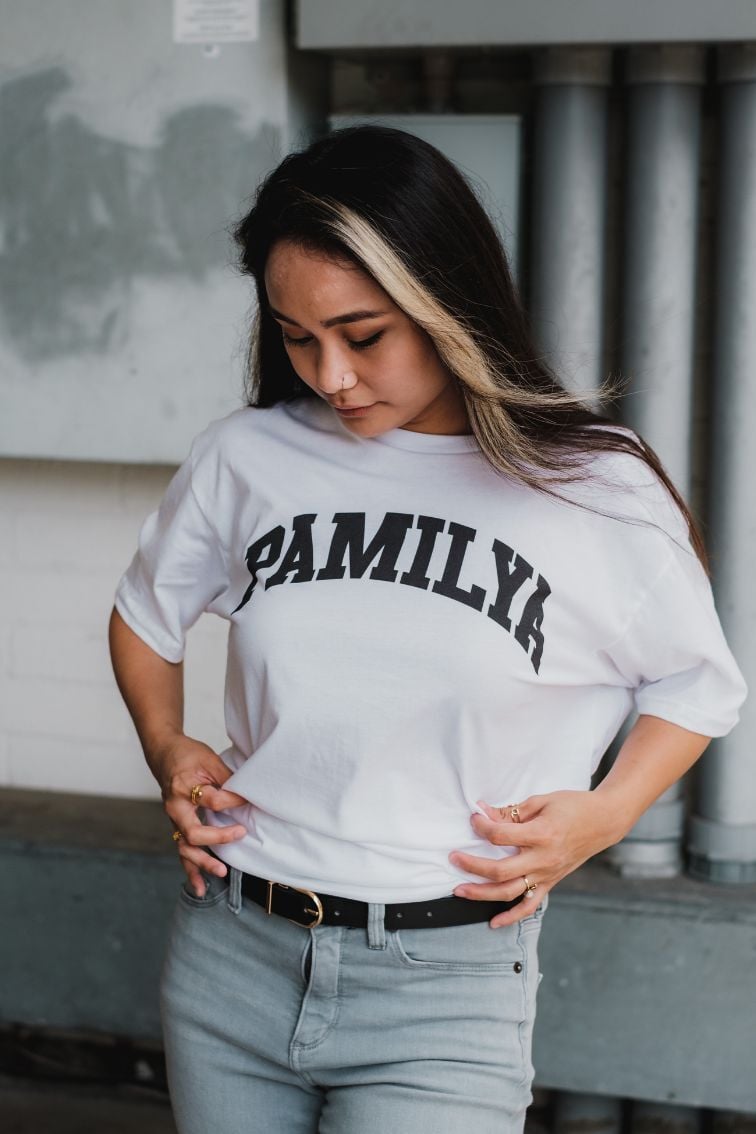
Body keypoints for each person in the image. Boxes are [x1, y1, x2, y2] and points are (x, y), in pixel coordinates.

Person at [108, 124, 747, 1134]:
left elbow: (698, 686)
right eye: (295, 334)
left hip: (446, 987)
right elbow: (146, 617)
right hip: (234, 954)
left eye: (364, 335)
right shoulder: (248, 460)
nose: (330, 374)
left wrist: (608, 813)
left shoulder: (594, 486)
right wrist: (167, 746)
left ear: (446, 299)